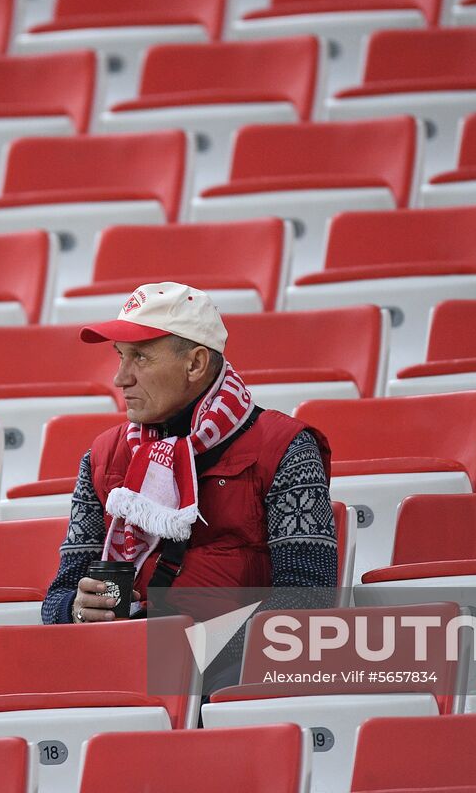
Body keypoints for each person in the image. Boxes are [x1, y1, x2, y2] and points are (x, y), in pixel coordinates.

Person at [41, 282, 337, 671]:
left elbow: (308, 601)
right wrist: (77, 609)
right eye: (120, 356)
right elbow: (58, 597)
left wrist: (181, 656)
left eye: (140, 358)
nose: (120, 378)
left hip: (236, 681)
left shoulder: (286, 448)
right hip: (124, 668)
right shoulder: (102, 457)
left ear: (195, 364)